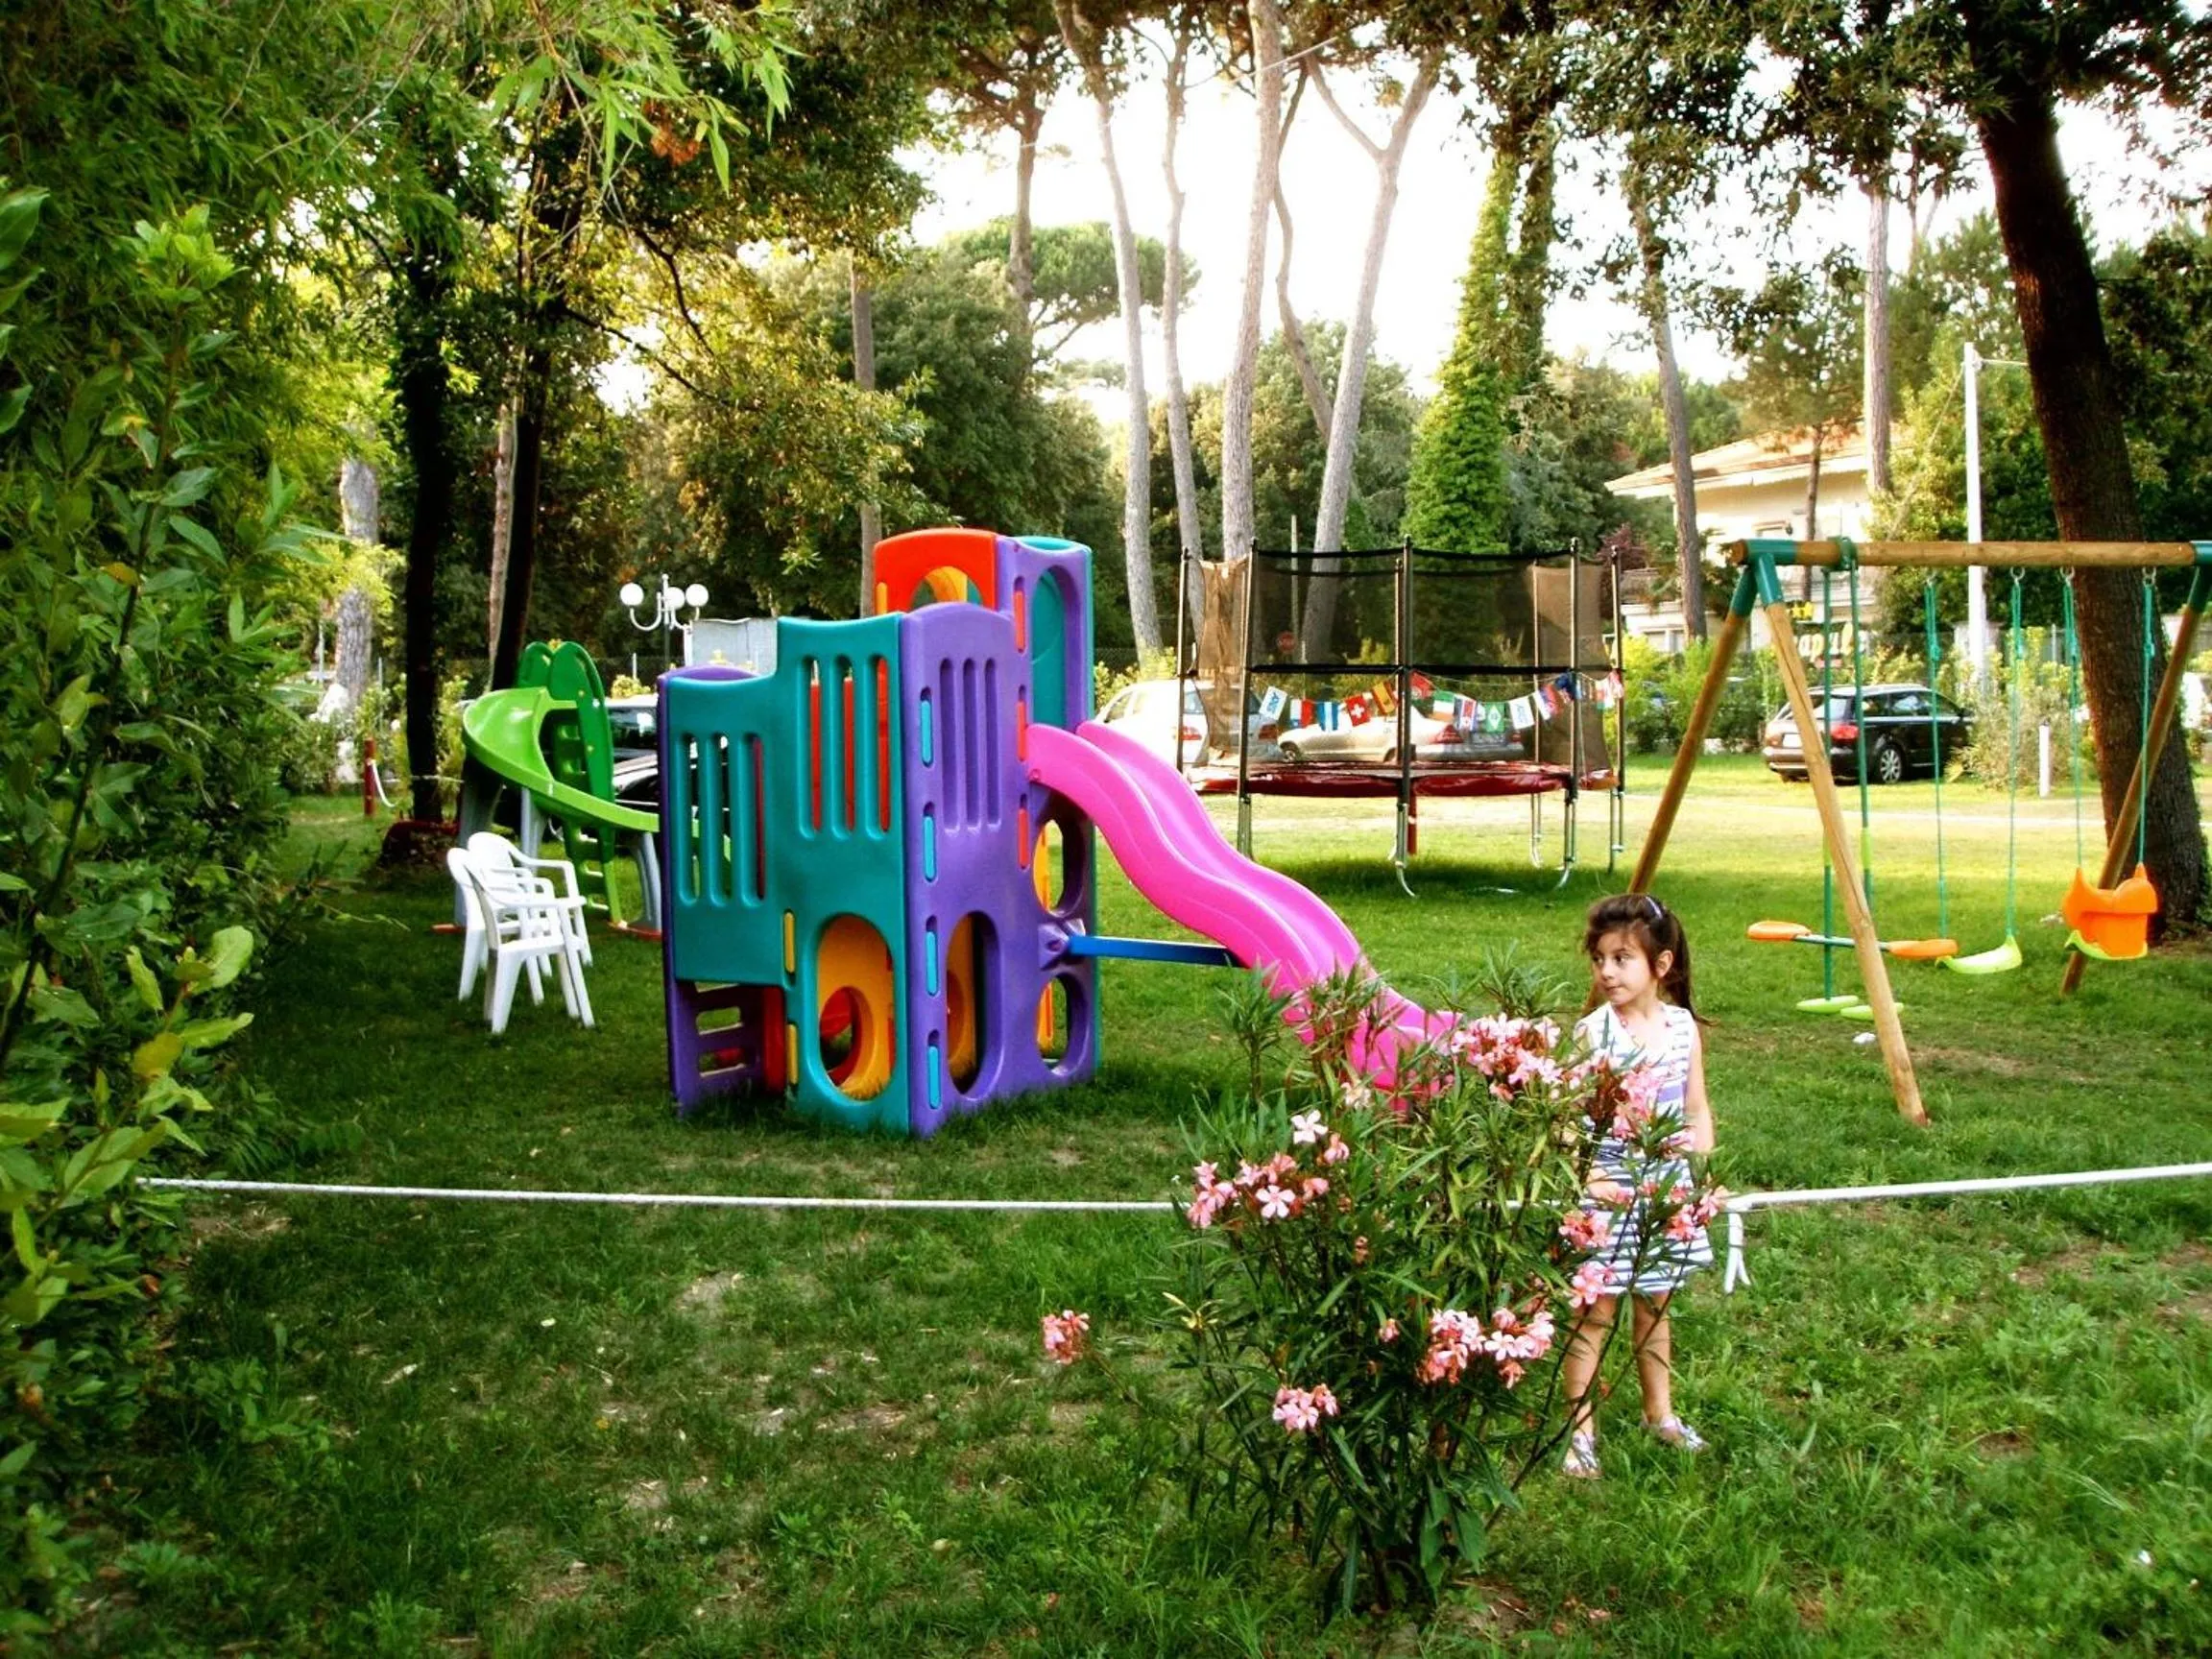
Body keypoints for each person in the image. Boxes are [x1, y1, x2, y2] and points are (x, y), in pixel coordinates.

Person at [1559, 892, 1716, 1479]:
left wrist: (1698, 1172)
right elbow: (1567, 1124)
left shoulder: (1681, 1030)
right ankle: (1580, 1435)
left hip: (1665, 1195)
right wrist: (1589, 1175)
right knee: (1594, 1314)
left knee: (1656, 1306)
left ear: (1662, 965)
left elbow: (1697, 1109)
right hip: (1608, 1197)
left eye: (1622, 959)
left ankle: (1662, 1416)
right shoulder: (1592, 1034)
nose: (1606, 971)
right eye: (1600, 958)